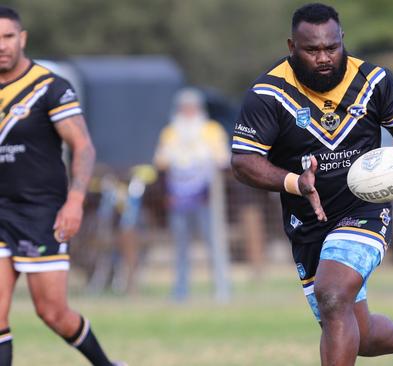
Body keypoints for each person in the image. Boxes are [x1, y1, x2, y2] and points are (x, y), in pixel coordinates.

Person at [231, 4, 393, 366]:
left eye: (331, 47)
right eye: (312, 50)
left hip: (363, 210)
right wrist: (294, 182)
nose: (323, 58)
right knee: (358, 333)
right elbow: (243, 163)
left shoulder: (372, 81)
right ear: (292, 46)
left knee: (333, 294)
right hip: (308, 222)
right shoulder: (268, 94)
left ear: (342, 42)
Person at [0, 6, 124, 366]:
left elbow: (82, 146)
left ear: (21, 39)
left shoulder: (49, 87)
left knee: (52, 313)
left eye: (8, 37)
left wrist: (74, 201)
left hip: (41, 212)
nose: (2, 46)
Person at [154, 88, 229, 301]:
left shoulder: (212, 130)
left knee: (214, 244)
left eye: (192, 107)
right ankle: (180, 291)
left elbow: (222, 159)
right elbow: (161, 161)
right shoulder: (170, 132)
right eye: (184, 108)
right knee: (180, 247)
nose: (188, 112)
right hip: (178, 198)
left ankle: (222, 288)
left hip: (207, 198)